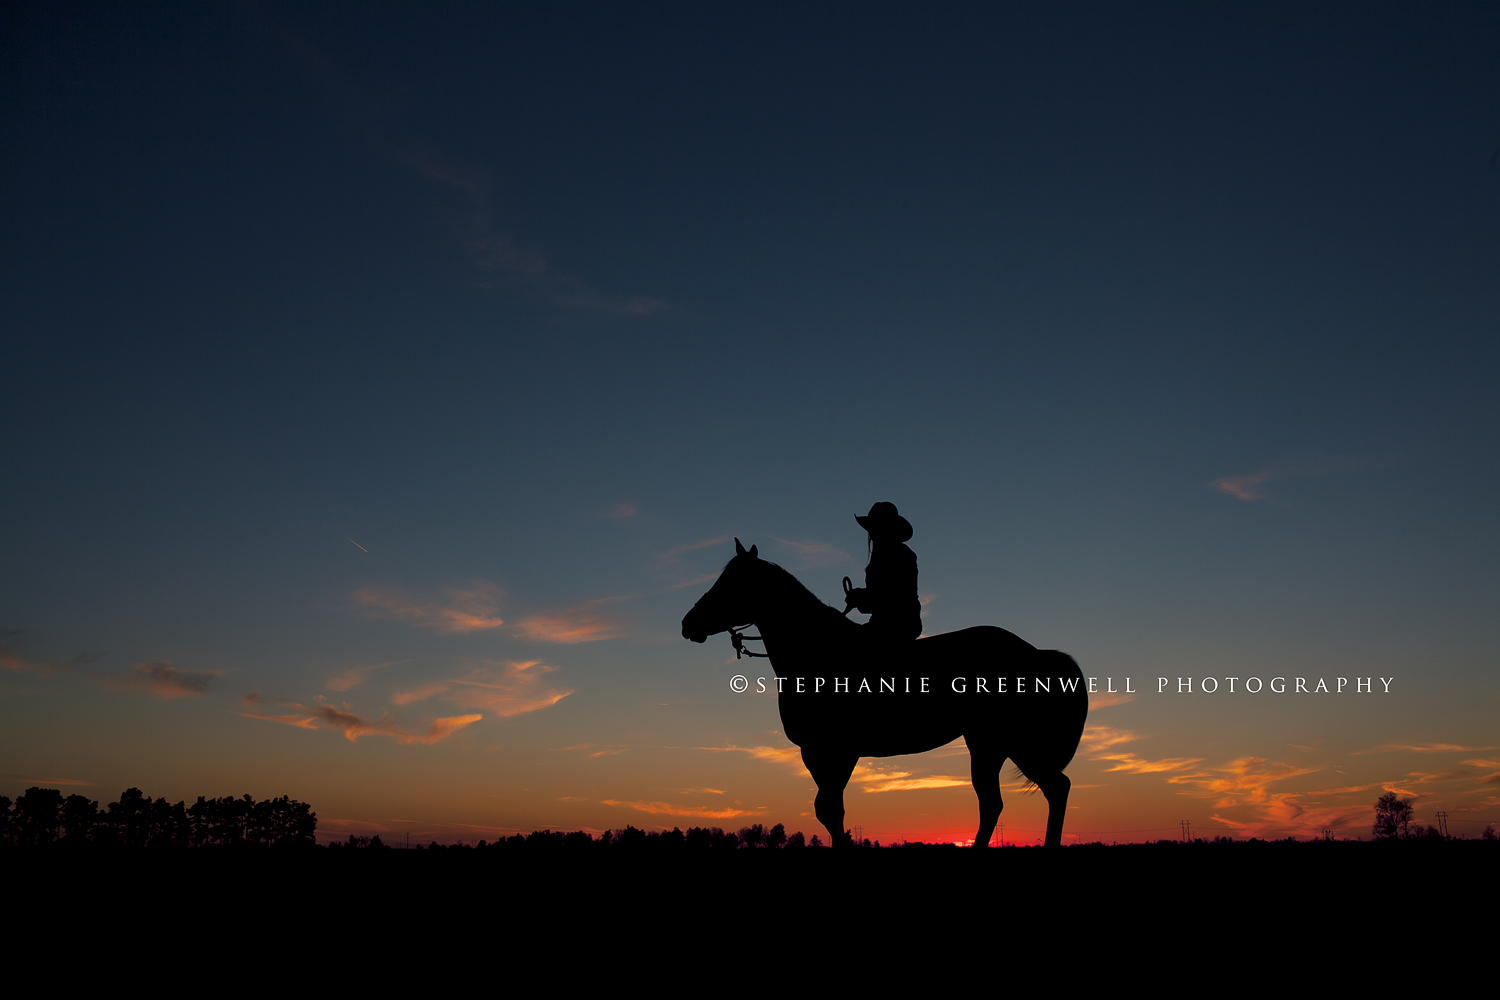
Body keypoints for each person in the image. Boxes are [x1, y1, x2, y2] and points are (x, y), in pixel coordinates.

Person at [843, 501, 921, 641]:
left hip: (897, 627)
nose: (872, 534)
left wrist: (859, 596)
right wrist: (859, 598)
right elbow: (878, 600)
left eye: (875, 528)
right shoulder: (889, 555)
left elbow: (888, 596)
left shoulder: (901, 555)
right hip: (887, 625)